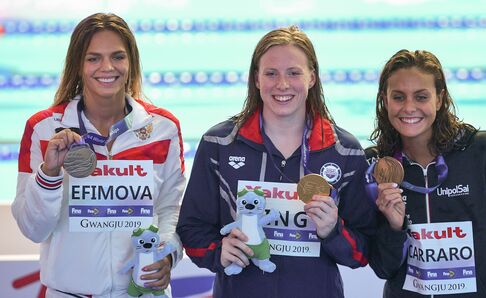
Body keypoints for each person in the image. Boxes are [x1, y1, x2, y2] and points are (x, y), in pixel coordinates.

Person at [176, 26, 399, 297]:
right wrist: (218, 252)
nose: (282, 84)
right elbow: (191, 228)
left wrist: (332, 230)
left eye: (294, 73)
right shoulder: (219, 144)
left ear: (312, 77)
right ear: (256, 79)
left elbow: (362, 252)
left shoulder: (344, 152)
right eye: (271, 73)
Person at [12, 13, 185, 298]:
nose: (107, 67)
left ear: (131, 63)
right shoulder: (43, 129)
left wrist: (167, 254)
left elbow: (171, 209)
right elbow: (34, 229)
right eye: (93, 58)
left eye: (117, 56)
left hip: (142, 293)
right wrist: (49, 173)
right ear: (78, 65)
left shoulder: (162, 128)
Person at [366, 49, 486, 297]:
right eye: (398, 97)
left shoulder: (482, 153)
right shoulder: (377, 167)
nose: (409, 107)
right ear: (385, 100)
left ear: (439, 99)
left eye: (421, 96)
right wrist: (395, 228)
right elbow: (384, 267)